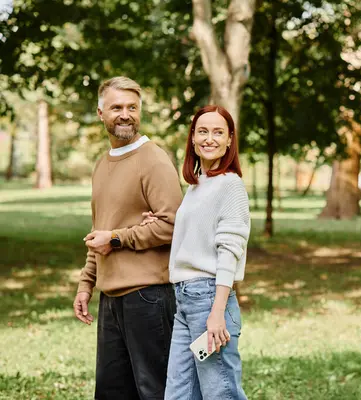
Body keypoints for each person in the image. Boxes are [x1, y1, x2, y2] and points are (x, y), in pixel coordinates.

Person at [72, 76, 183, 400]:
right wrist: (86, 284)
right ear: (100, 112)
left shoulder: (154, 160)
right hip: (111, 299)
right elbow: (100, 231)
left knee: (155, 391)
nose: (125, 114)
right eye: (117, 107)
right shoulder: (102, 164)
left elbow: (174, 224)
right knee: (111, 392)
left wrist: (119, 238)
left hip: (148, 297)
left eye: (132, 108)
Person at [143, 105, 250, 400]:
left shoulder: (230, 185)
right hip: (185, 302)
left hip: (209, 301)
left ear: (230, 139)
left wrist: (217, 314)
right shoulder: (198, 184)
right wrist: (171, 223)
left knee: (221, 393)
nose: (209, 138)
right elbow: (201, 230)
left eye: (218, 132)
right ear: (192, 138)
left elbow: (229, 250)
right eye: (202, 131)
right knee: (178, 394)